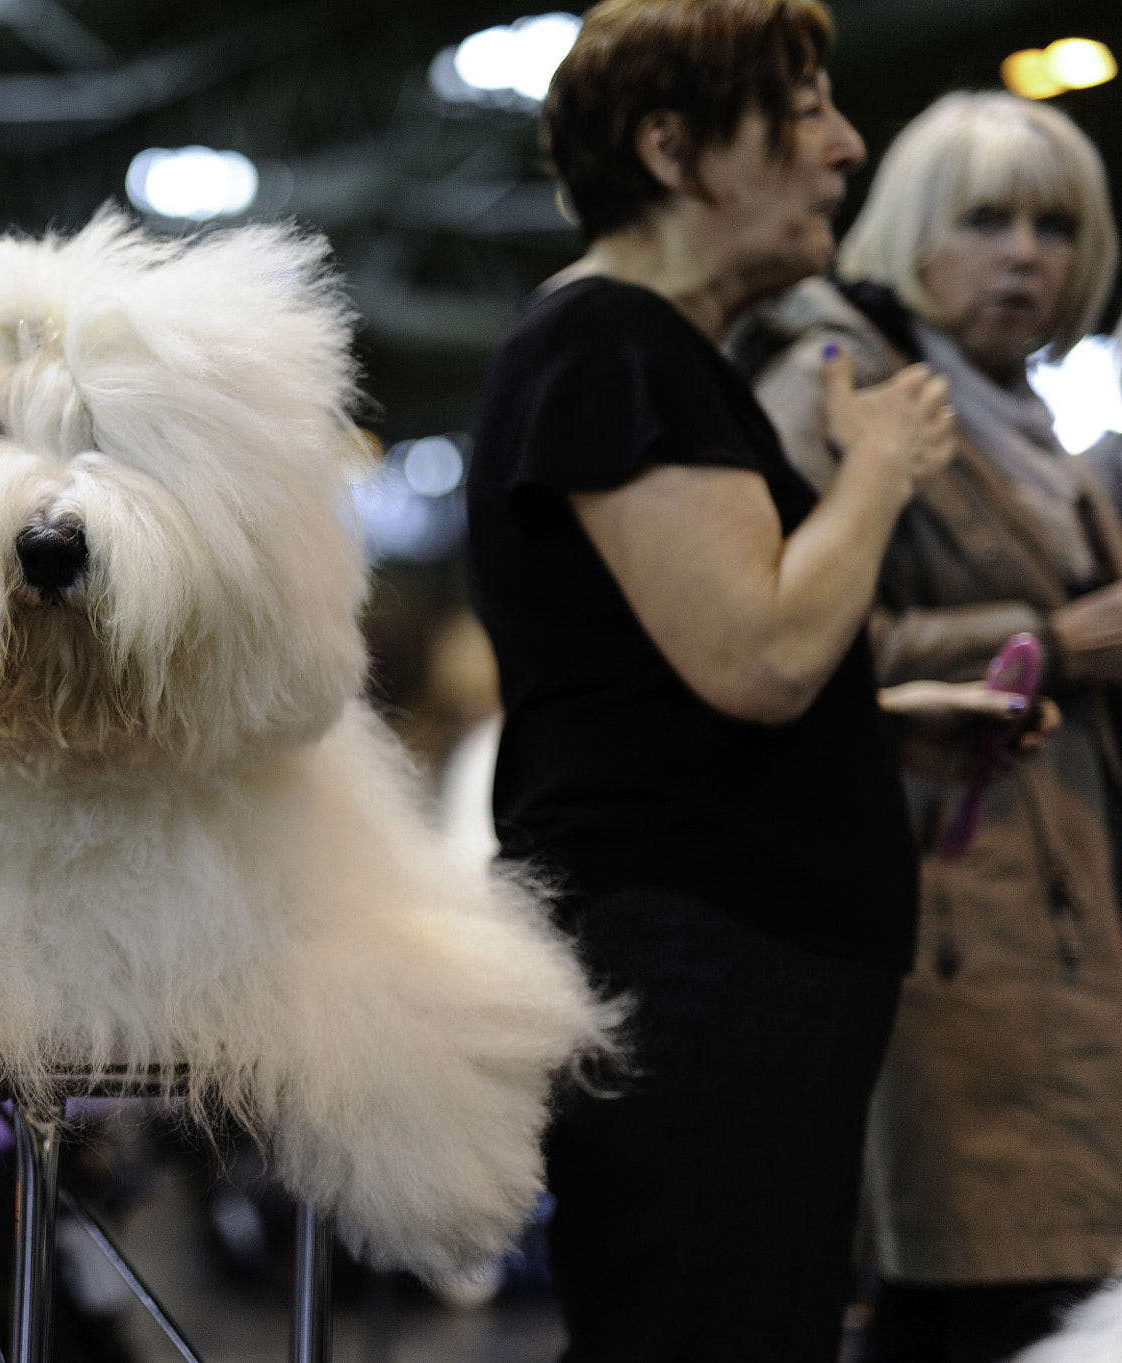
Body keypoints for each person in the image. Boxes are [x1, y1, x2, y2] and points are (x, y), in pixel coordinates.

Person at [464, 1, 979, 1357]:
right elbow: (761, 655)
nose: (847, 149)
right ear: (675, 149)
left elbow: (678, 674)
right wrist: (876, 464)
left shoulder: (639, 348)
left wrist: (886, 723)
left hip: (725, 961)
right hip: (705, 966)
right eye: (806, 112)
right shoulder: (609, 342)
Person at [744, 91, 1122, 1363]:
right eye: (984, 219)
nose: (1024, 253)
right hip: (937, 907)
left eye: (1053, 225)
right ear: (910, 228)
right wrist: (1045, 640)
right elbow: (773, 643)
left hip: (1062, 909)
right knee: (976, 1289)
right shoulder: (841, 386)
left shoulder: (1033, 430)